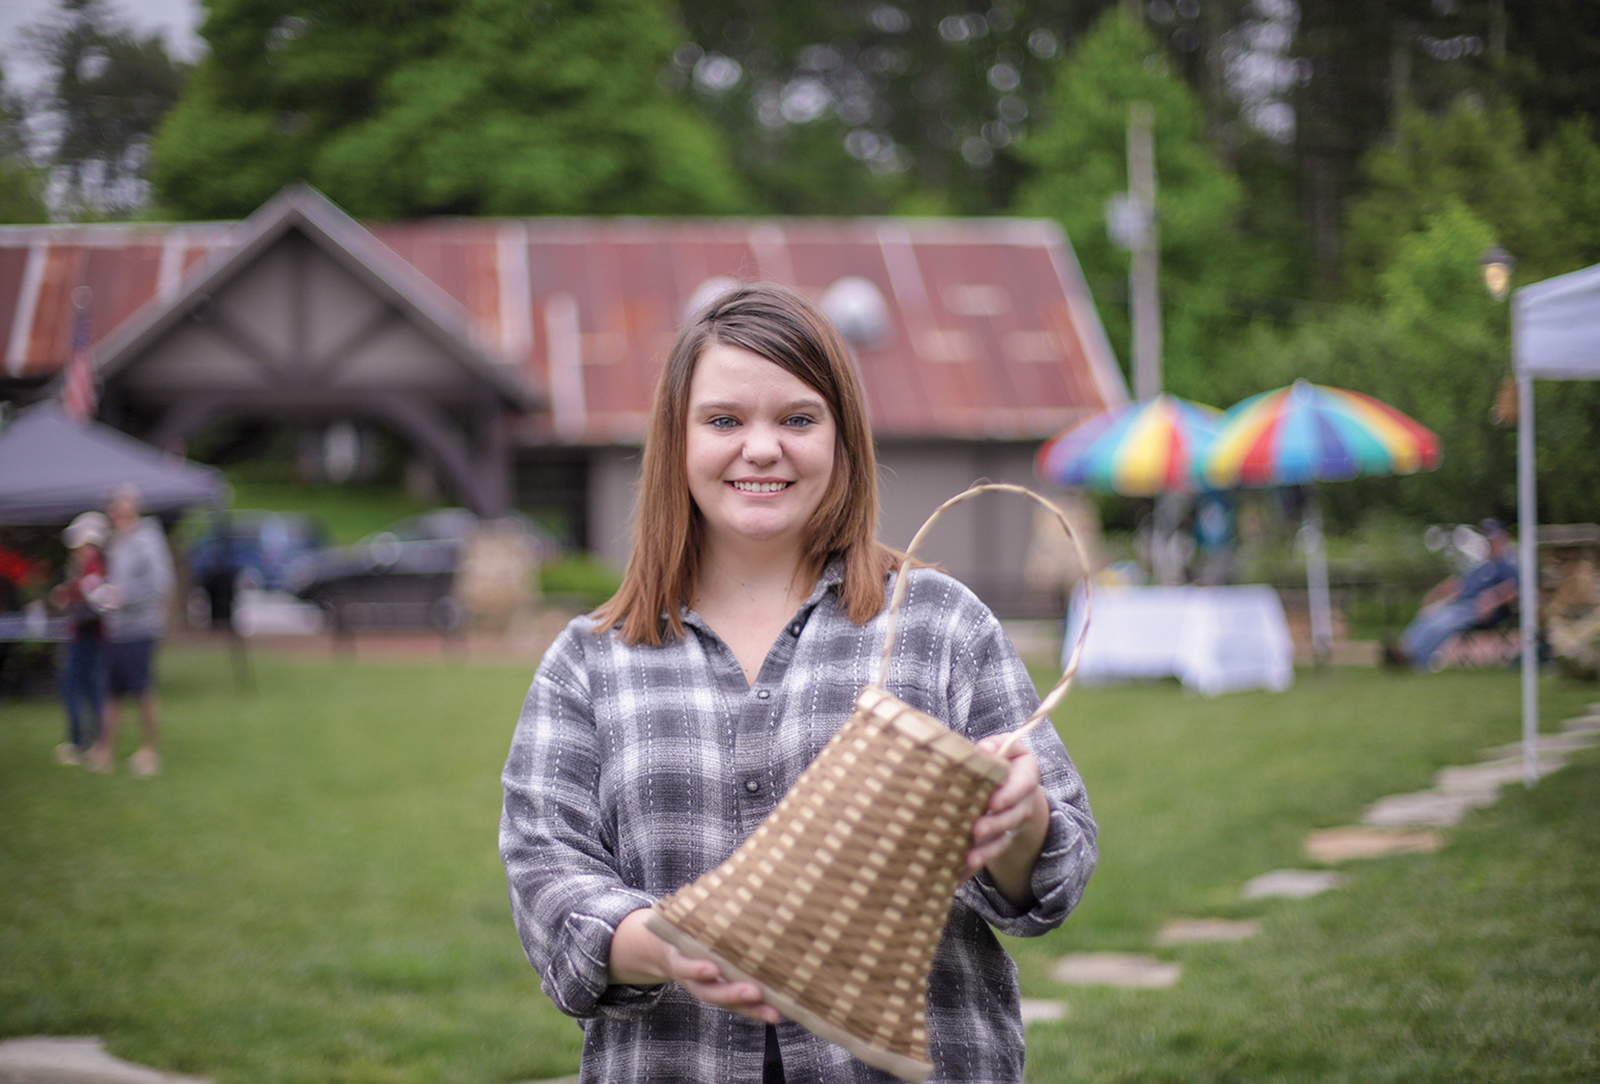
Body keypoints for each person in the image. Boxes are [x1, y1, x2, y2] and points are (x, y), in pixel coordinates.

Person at [499, 282, 1098, 1083]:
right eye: (723, 421)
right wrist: (663, 943)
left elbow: (1056, 870)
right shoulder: (590, 661)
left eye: (797, 419)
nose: (760, 448)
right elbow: (547, 871)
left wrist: (1020, 828)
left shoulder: (939, 626)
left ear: (842, 439)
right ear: (675, 442)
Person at [86, 485, 176, 776]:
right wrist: (105, 594)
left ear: (134, 510)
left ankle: (149, 753)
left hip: (140, 629)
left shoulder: (148, 540)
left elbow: (161, 584)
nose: (118, 515)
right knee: (111, 693)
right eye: (114, 510)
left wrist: (126, 595)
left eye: (123, 510)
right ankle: (105, 751)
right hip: (116, 628)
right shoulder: (117, 543)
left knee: (142, 692)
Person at [1385, 518, 1519, 672]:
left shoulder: (1507, 567)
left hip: (1478, 609)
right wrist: (1435, 595)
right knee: (1427, 615)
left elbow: (1512, 590)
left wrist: (1493, 602)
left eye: (1493, 539)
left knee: (1441, 624)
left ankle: (1416, 660)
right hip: (1459, 603)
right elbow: (1457, 584)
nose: (1490, 543)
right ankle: (1402, 649)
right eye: (1488, 539)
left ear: (1502, 539)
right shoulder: (1480, 566)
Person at [47, 511, 109, 765]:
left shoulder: (96, 570)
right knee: (88, 688)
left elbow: (94, 608)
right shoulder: (87, 570)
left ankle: (82, 741)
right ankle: (93, 739)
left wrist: (69, 603)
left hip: (88, 637)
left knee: (77, 686)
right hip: (86, 637)